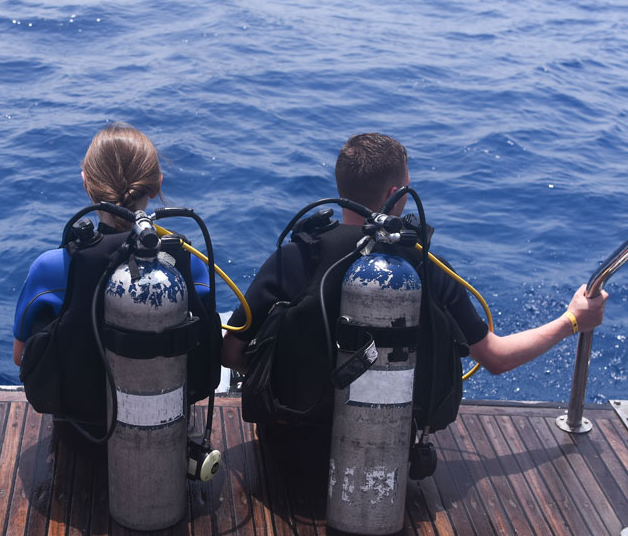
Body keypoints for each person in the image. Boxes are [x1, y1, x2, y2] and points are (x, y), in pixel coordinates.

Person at [220, 133, 608, 489]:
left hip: (292, 455)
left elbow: (231, 352)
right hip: (389, 462)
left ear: (341, 187)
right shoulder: (425, 267)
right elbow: (496, 358)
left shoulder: (294, 258)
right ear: (397, 193)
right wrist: (573, 320)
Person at [12, 122, 218, 436]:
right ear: (155, 186)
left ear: (86, 184)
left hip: (81, 434)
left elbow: (20, 357)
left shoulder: (50, 268)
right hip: (168, 433)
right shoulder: (188, 264)